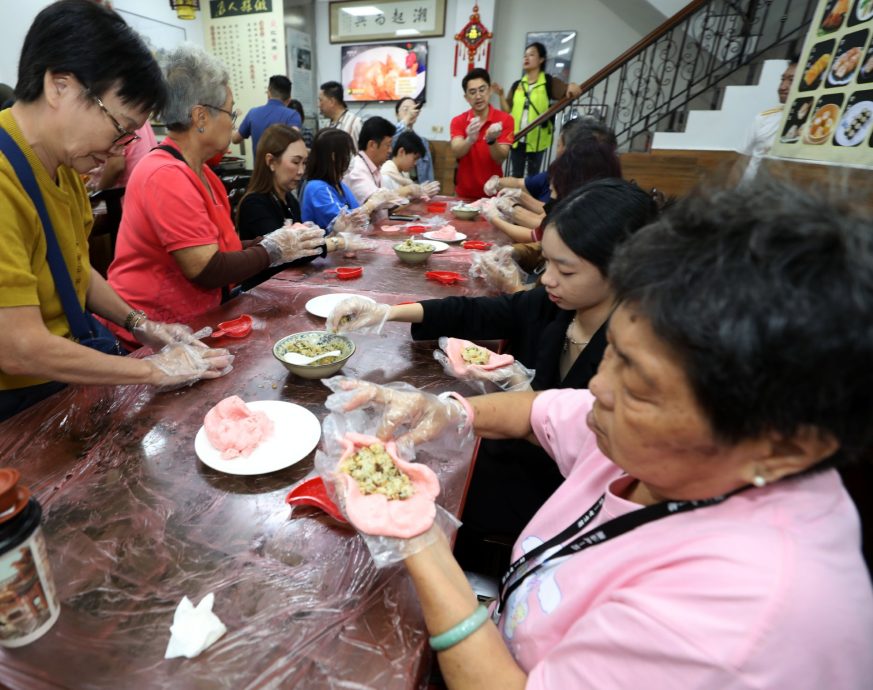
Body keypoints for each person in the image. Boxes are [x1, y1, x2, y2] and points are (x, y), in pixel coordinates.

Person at [328, 180, 873, 688]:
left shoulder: (740, 618)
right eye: (613, 353)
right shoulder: (655, 439)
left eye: (640, 386)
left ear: (786, 445)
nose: (599, 388)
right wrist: (446, 409)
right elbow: (542, 410)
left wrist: (417, 535)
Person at [327, 179, 657, 553]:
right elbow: (477, 313)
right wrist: (387, 312)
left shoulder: (637, 356)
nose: (546, 278)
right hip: (503, 447)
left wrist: (526, 398)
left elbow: (597, 457)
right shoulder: (556, 306)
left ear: (622, 271)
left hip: (554, 497)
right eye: (546, 261)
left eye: (565, 270)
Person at [0, 0, 233, 422]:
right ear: (59, 86)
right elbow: (19, 347)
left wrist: (142, 324)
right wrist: (152, 370)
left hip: (61, 381)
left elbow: (74, 269)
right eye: (120, 128)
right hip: (16, 407)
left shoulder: (65, 166)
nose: (119, 149)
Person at [106, 45, 324, 350]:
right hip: (152, 338)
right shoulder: (165, 174)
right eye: (230, 112)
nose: (234, 122)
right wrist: (272, 250)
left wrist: (272, 241)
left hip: (198, 325)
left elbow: (222, 249)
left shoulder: (204, 174)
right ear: (200, 117)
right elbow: (206, 269)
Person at [236, 124, 373, 290]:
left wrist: (335, 231)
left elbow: (304, 242)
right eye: (295, 162)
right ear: (271, 161)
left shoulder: (289, 200)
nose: (301, 171)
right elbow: (290, 252)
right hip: (261, 291)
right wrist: (337, 241)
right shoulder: (255, 204)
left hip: (288, 285)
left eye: (304, 163)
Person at [485, 122, 622, 243]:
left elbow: (539, 232)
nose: (551, 186)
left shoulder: (585, 200)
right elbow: (546, 215)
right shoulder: (592, 184)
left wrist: (500, 215)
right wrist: (516, 195)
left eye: (559, 145)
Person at [493, 42, 582, 178]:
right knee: (516, 175)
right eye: (525, 55)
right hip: (518, 138)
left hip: (538, 140)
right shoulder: (517, 85)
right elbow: (506, 110)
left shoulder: (548, 82)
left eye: (531, 55)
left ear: (541, 59)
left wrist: (572, 85)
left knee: (532, 177)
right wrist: (501, 95)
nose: (526, 58)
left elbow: (567, 90)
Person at [450, 68, 514, 199]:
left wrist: (491, 140)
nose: (478, 96)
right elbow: (456, 151)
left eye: (482, 90)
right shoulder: (458, 121)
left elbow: (500, 157)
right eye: (472, 92)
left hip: (493, 195)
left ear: (490, 90)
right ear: (466, 97)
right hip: (464, 195)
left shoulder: (505, 119)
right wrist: (469, 140)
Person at [344, 116, 438, 205]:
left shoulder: (375, 168)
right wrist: (408, 190)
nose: (390, 150)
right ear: (372, 145)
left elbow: (386, 204)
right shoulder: (357, 169)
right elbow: (375, 201)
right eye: (388, 145)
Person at [736, 56, 798, 185]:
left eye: (791, 80)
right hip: (745, 192)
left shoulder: (812, 125)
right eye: (783, 79)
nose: (782, 87)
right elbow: (741, 161)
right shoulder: (764, 118)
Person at [299, 128, 373, 230]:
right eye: (348, 153)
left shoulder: (340, 186)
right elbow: (344, 220)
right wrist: (371, 205)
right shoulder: (316, 188)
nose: (351, 158)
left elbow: (360, 216)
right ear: (333, 156)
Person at [231, 75, 300, 156]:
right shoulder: (293, 115)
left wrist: (231, 128)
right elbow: (295, 141)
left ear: (268, 93)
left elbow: (235, 139)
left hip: (258, 164)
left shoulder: (253, 113)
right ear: (289, 99)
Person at [91, 120, 157, 190]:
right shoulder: (140, 119)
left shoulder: (119, 120)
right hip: (147, 184)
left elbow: (115, 166)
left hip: (125, 190)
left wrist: (99, 191)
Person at [394, 96, 434, 183]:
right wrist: (407, 118)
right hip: (396, 187)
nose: (410, 112)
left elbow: (429, 173)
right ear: (397, 114)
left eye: (413, 109)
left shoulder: (423, 142)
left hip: (419, 187)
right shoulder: (390, 137)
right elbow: (393, 137)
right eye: (405, 109)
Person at [318, 80, 362, 150]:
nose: (318, 105)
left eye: (321, 100)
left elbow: (360, 151)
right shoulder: (328, 125)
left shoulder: (354, 123)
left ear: (332, 102)